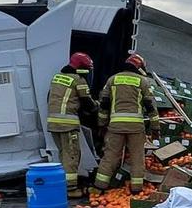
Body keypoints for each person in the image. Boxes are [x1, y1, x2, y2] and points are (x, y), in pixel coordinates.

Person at [93, 53, 159, 194]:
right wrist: (155, 128)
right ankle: (136, 189)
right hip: (136, 127)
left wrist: (101, 124)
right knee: (137, 157)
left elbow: (104, 105)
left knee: (110, 156)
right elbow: (151, 107)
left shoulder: (112, 80)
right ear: (139, 67)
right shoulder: (143, 81)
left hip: (115, 126)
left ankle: (99, 187)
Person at [47, 52, 99, 197]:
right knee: (72, 156)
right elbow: (87, 102)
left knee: (64, 155)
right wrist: (97, 109)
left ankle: (62, 185)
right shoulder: (78, 80)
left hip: (53, 123)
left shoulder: (57, 77)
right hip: (67, 124)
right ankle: (70, 189)